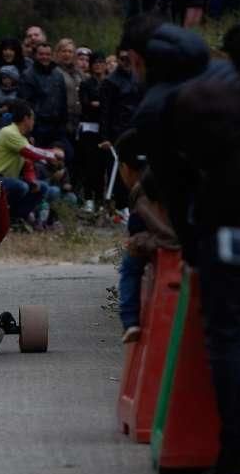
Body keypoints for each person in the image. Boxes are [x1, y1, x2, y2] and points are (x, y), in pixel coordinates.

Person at [113, 129, 178, 343]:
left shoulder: (139, 191)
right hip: (188, 241)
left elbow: (136, 227)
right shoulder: (171, 176)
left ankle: (129, 320)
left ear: (125, 168)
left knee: (130, 266)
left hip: (163, 243)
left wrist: (135, 242)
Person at [0, 99, 63, 225]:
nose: (34, 122)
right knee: (21, 186)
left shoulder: (22, 138)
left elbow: (28, 164)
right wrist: (53, 154)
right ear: (26, 119)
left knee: (41, 187)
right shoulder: (9, 132)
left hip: (8, 180)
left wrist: (32, 181)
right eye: (32, 119)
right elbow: (31, 152)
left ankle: (15, 218)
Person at [19, 42, 67, 151]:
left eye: (47, 54)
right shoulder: (28, 75)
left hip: (56, 127)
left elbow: (63, 101)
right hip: (38, 127)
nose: (45, 57)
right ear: (36, 55)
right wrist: (28, 131)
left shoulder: (58, 74)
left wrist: (63, 125)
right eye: (41, 54)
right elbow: (25, 103)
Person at [75, 52, 109, 209]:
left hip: (105, 129)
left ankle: (101, 200)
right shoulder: (86, 84)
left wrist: (99, 105)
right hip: (89, 128)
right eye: (95, 62)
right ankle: (88, 199)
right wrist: (97, 105)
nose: (98, 65)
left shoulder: (109, 84)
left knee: (102, 166)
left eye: (101, 62)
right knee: (89, 164)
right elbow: (86, 104)